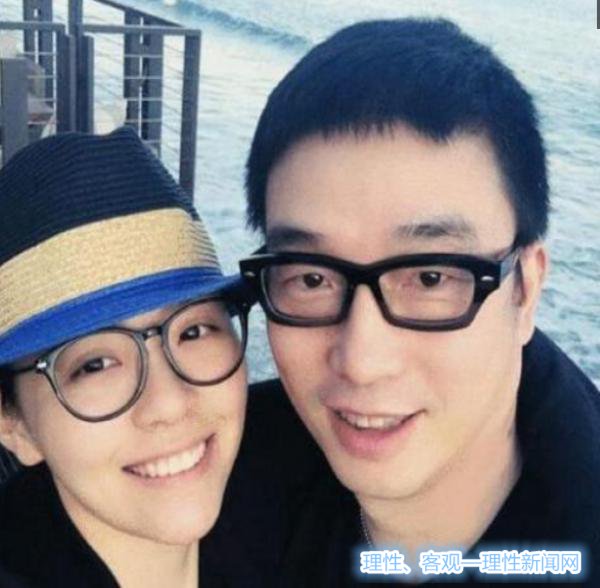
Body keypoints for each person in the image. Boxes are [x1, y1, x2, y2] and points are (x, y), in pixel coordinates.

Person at [239, 18, 600, 586]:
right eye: (311, 278)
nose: (362, 361)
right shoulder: (220, 484)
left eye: (430, 278)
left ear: (525, 290)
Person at [0, 126, 252, 587]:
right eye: (94, 365)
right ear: (13, 425)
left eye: (194, 331)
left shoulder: (302, 488)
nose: (169, 404)